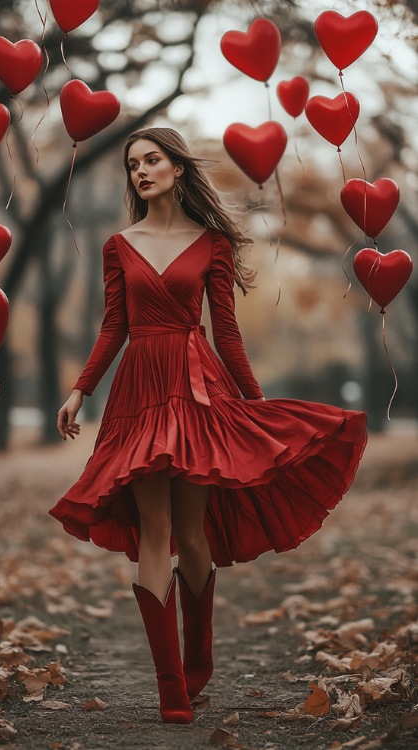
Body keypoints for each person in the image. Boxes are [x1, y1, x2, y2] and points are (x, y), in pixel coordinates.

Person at [49, 127, 367, 725]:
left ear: (176, 168)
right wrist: (79, 389)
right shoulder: (118, 245)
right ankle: (170, 685)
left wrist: (256, 408)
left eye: (152, 160)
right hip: (140, 392)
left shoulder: (214, 243)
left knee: (191, 534)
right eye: (133, 165)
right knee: (155, 527)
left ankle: (199, 662)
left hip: (198, 392)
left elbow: (228, 334)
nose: (141, 171)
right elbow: (113, 326)